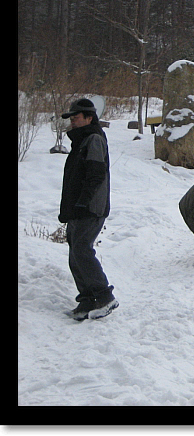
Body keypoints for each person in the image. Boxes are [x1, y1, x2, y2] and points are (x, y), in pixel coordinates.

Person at [58, 98, 118, 321]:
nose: (72, 121)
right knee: (76, 253)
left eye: (76, 118)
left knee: (82, 250)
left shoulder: (93, 139)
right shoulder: (82, 140)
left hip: (90, 208)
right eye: (71, 118)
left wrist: (84, 202)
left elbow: (95, 174)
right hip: (78, 207)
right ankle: (86, 300)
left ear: (89, 118)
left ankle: (104, 296)